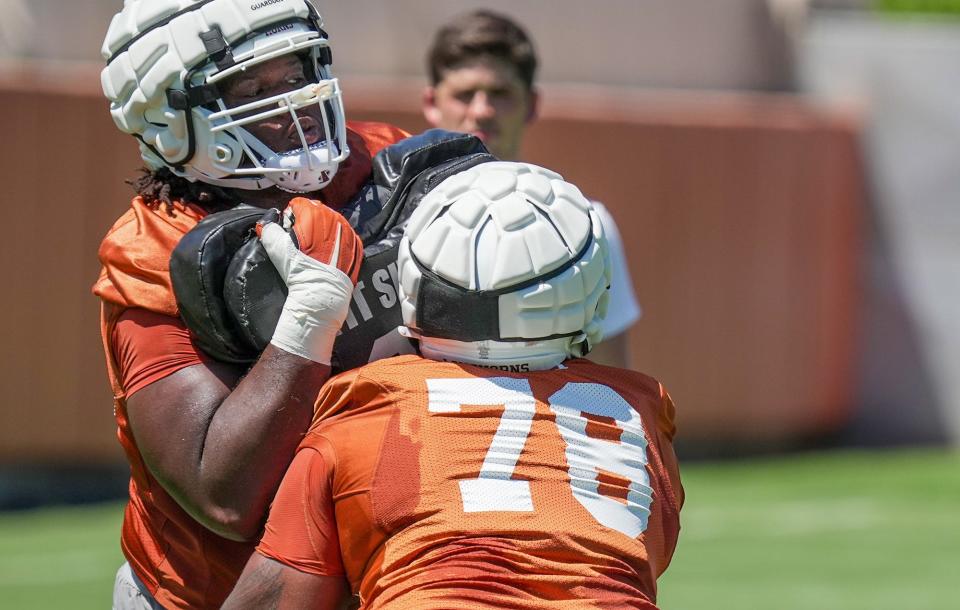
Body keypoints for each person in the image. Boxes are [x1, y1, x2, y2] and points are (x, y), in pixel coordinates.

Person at [222, 162, 683, 609]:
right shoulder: (640, 412)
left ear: (413, 280)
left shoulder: (368, 402)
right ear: (589, 290)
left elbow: (280, 594)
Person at [94, 1, 409, 608]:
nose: (293, 107)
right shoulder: (153, 255)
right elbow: (227, 497)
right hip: (212, 591)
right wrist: (311, 320)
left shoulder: (382, 167)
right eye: (251, 88)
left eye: (294, 76)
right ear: (168, 122)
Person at [421, 10, 642, 369]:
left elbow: (611, 379)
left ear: (532, 104)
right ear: (432, 103)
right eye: (464, 94)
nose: (482, 110)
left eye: (500, 93)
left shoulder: (586, 226)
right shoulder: (398, 221)